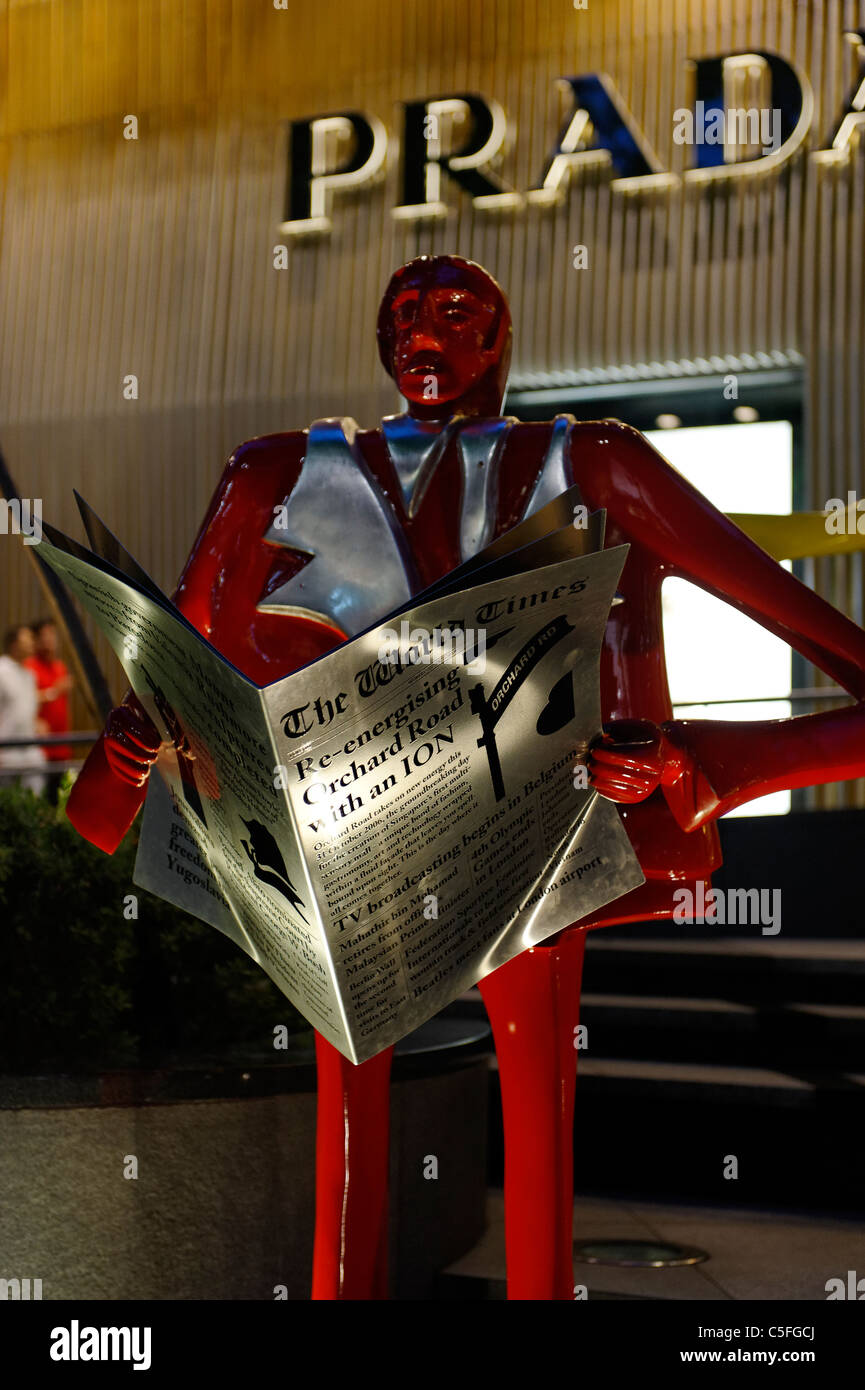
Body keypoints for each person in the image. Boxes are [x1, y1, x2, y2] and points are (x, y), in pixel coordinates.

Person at [66, 255, 865, 1299]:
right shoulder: (276, 472)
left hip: (529, 845)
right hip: (340, 846)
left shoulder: (594, 462)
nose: (419, 334)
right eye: (401, 313)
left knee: (533, 1125)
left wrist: (694, 762)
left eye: (453, 313)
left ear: (501, 338)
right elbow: (159, 705)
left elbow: (828, 648)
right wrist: (137, 754)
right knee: (359, 1126)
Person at [25, 618, 73, 801]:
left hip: (61, 745)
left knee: (57, 799)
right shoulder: (30, 666)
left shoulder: (60, 667)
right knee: (38, 799)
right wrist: (54, 691)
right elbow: (26, 700)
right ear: (36, 640)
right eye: (45, 637)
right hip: (39, 747)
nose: (50, 640)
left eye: (52, 635)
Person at [0, 625, 47, 795]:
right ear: (14, 644)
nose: (32, 643)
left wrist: (36, 723)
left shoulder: (30, 675)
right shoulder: (1, 670)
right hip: (6, 751)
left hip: (30, 748)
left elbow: (24, 709)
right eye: (27, 639)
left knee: (35, 797)